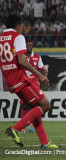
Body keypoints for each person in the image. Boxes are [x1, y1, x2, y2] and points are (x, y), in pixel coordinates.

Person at [0, 15, 60, 148]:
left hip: (9, 80)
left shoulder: (0, 39)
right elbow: (22, 60)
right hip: (20, 79)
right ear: (18, 25)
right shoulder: (18, 37)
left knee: (35, 107)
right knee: (45, 105)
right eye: (21, 26)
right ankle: (15, 129)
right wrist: (41, 76)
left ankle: (45, 143)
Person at [20, 40, 47, 134]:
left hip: (35, 84)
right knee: (24, 105)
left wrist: (44, 79)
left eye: (30, 45)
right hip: (24, 84)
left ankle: (30, 123)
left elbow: (42, 69)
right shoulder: (21, 57)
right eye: (27, 45)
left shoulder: (37, 57)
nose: (28, 47)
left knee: (35, 105)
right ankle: (23, 126)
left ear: (32, 46)